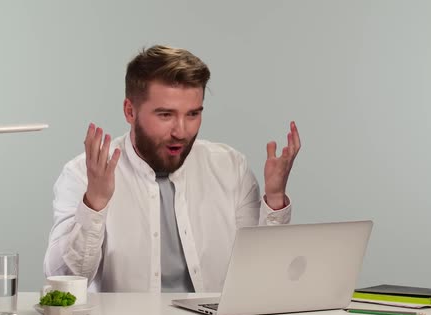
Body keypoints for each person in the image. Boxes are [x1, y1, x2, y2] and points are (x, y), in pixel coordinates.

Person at [44, 45, 301, 292]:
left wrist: (275, 201)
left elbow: (260, 274)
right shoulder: (82, 174)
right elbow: (65, 279)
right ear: (130, 111)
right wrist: (94, 204)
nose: (181, 131)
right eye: (165, 115)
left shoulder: (231, 167)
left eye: (192, 114)